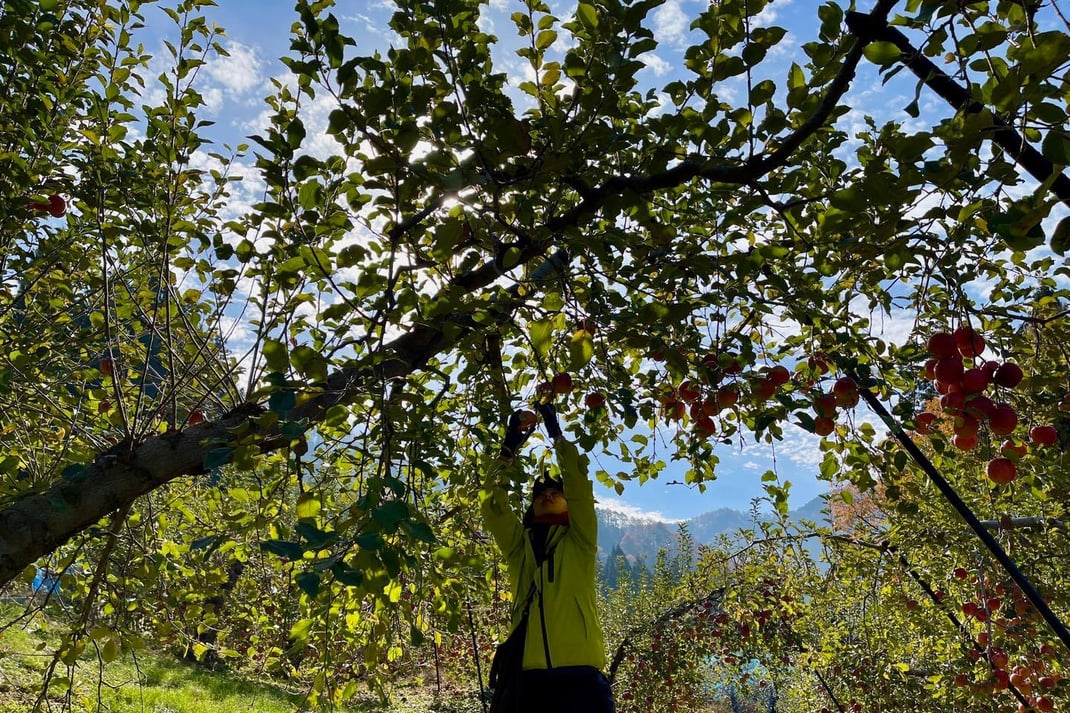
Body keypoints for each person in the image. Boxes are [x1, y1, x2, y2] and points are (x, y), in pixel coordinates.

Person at [479, 402, 615, 713]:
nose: (548, 494)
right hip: (528, 680)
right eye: (540, 494)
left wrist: (557, 436)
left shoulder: (580, 541)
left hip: (580, 679)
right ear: (532, 508)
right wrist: (508, 447)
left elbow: (580, 488)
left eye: (556, 491)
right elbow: (490, 502)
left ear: (569, 503)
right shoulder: (519, 547)